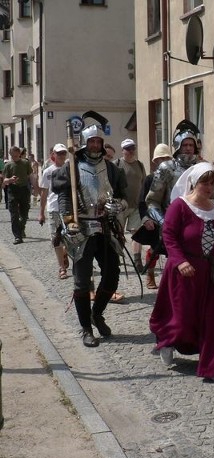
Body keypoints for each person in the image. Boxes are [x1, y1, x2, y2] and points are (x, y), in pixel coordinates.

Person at [149, 162, 214, 383]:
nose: (208, 187)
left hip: (210, 273)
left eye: (211, 182)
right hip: (183, 273)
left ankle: (212, 366)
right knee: (181, 320)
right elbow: (168, 236)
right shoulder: (180, 206)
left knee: (213, 321)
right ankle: (167, 340)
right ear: (194, 183)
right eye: (204, 182)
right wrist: (179, 261)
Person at [51, 119, 128, 347]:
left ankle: (97, 314)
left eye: (98, 141)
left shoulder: (112, 168)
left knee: (112, 276)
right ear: (85, 143)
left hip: (105, 227)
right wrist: (68, 221)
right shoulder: (71, 167)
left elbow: (124, 197)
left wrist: (119, 206)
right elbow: (64, 197)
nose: (95, 145)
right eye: (92, 141)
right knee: (82, 282)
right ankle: (86, 328)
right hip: (81, 228)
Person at [136, 143, 173, 289]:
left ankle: (171, 280)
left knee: (173, 250)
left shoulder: (175, 176)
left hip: (172, 217)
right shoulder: (150, 179)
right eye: (160, 159)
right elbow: (142, 201)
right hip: (155, 218)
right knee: (155, 249)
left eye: (166, 158)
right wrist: (146, 219)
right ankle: (150, 274)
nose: (163, 161)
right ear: (155, 161)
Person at [38, 144, 70, 280]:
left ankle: (65, 253)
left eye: (64, 153)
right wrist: (41, 213)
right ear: (54, 155)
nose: (62, 156)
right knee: (56, 239)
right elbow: (44, 193)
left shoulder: (70, 170)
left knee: (71, 236)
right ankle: (62, 268)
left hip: (68, 208)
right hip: (53, 209)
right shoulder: (48, 172)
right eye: (59, 153)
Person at [115, 138, 146, 272]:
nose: (131, 151)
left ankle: (137, 261)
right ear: (122, 151)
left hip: (136, 205)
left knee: (136, 233)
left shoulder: (140, 165)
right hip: (120, 205)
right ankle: (116, 259)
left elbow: (144, 183)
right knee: (118, 233)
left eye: (132, 148)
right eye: (128, 149)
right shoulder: (116, 164)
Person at [3, 145, 33, 244]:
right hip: (13, 190)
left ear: (19, 154)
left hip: (24, 190)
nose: (15, 158)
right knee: (14, 214)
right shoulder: (8, 165)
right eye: (13, 156)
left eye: (17, 156)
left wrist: (35, 187)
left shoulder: (25, 163)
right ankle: (17, 237)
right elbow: (4, 181)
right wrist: (10, 179)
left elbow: (31, 176)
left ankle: (21, 228)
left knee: (24, 213)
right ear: (10, 155)